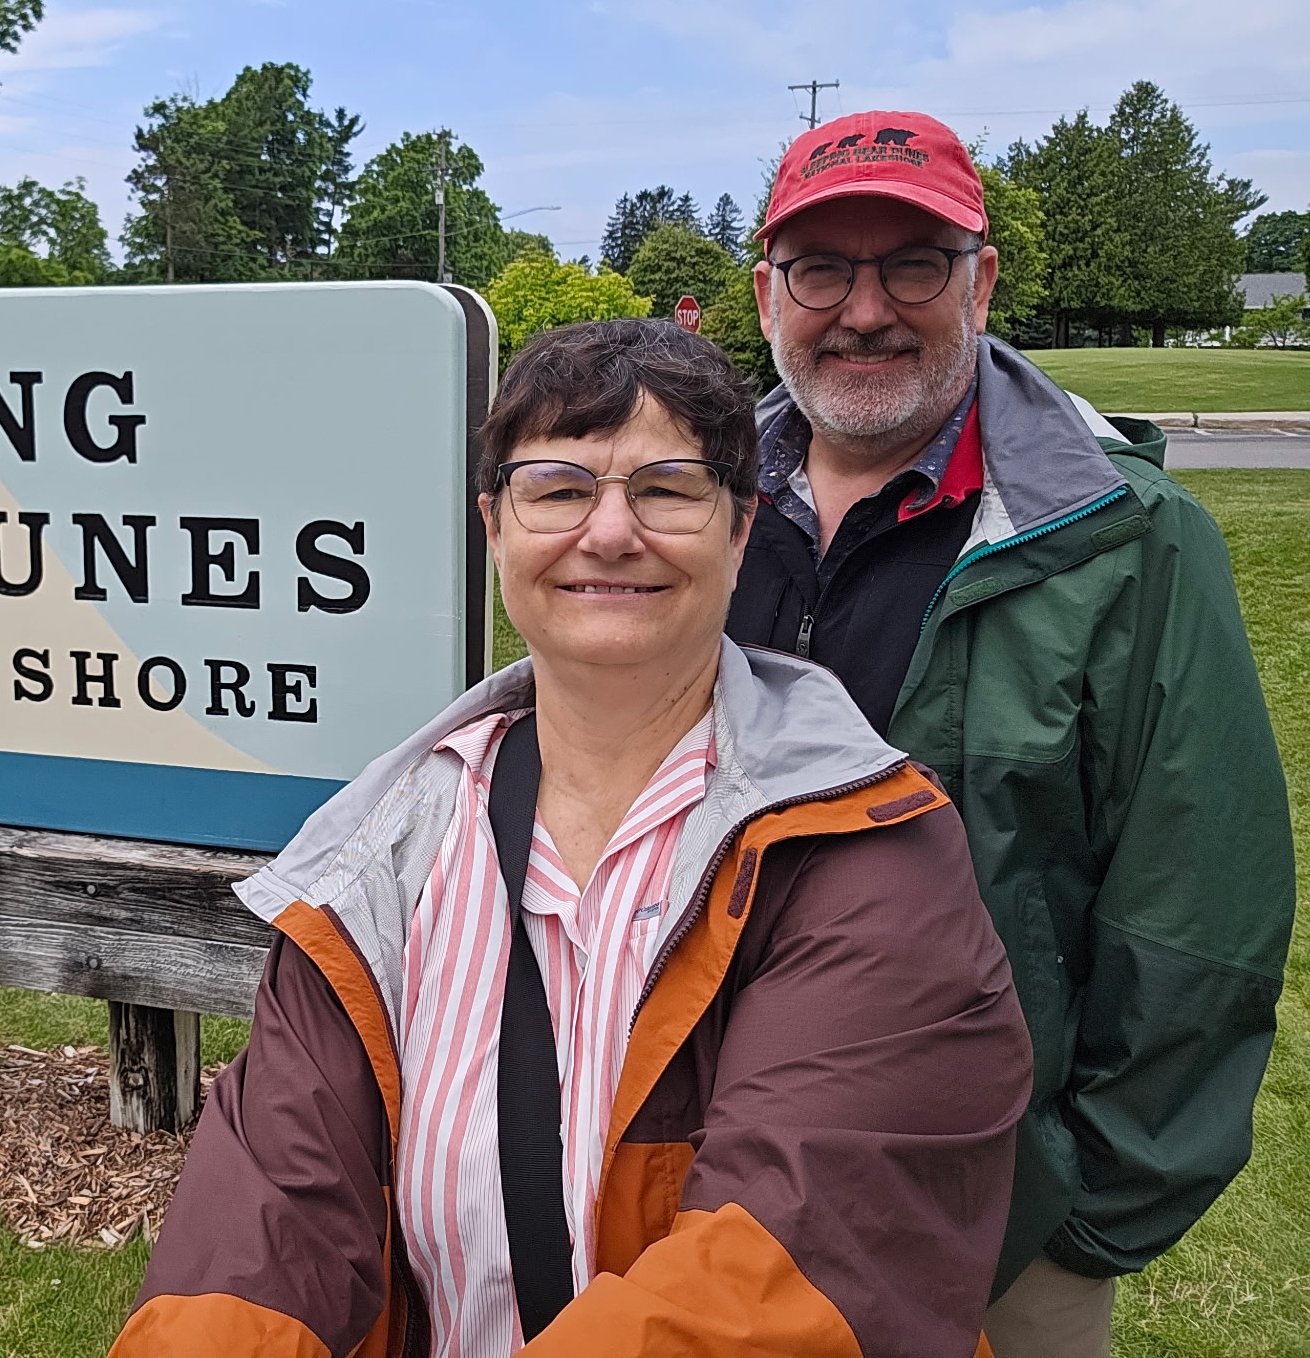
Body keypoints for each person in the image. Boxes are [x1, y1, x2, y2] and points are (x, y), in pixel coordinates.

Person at [111, 320, 1033, 1356]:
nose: (607, 533)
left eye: (667, 488)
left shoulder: (864, 857)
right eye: (557, 489)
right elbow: (260, 1230)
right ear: (492, 527)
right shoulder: (375, 860)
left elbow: (787, 1284)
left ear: (739, 533)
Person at [726, 110, 1295, 1356]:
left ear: (979, 281)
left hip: (988, 1227)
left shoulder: (1127, 542)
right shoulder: (697, 509)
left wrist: (1079, 1214)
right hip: (695, 1185)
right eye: (821, 268)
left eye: (910, 264)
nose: (862, 309)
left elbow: (1197, 911)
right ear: (769, 293)